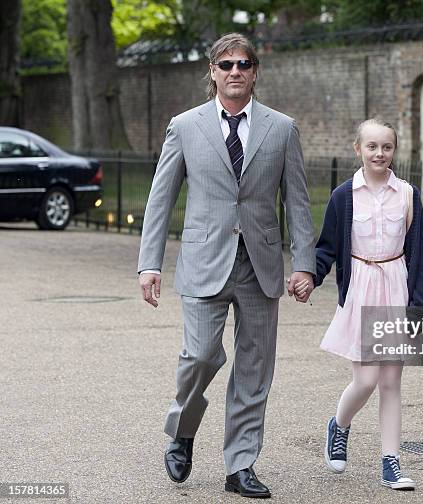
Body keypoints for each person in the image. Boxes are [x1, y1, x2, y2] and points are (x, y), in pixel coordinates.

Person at [137, 33, 315, 499]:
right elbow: (161, 199)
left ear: (255, 71)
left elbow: (297, 201)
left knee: (255, 368)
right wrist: (148, 264)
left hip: (260, 265)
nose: (235, 71)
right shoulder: (185, 126)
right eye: (226, 64)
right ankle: (183, 429)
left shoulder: (282, 129)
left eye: (244, 63)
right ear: (212, 72)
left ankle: (240, 466)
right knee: (199, 355)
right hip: (202, 261)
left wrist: (305, 264)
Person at [313, 118, 423, 490]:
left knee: (391, 381)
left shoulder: (408, 195)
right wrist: (310, 277)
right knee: (365, 379)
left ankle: (391, 462)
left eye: (386, 147)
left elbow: (419, 255)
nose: (379, 153)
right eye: (372, 147)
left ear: (394, 151)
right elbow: (327, 248)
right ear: (358, 149)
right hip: (362, 289)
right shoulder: (343, 196)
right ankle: (340, 424)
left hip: (395, 287)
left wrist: (420, 305)